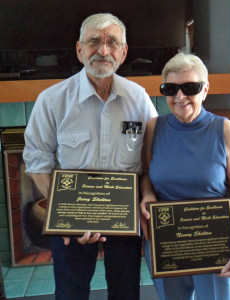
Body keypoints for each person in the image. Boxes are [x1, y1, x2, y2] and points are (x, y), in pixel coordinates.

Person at [23, 13, 157, 300]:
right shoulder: (52, 100)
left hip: (124, 217)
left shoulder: (139, 99)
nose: (103, 50)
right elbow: (37, 163)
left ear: (123, 52)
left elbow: (151, 160)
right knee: (71, 293)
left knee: (126, 292)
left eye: (112, 42)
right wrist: (66, 215)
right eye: (94, 41)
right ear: (79, 49)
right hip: (71, 218)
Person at [140, 53, 230, 300]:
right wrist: (147, 194)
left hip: (215, 241)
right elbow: (147, 174)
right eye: (170, 89)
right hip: (167, 241)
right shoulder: (153, 128)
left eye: (189, 88)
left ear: (205, 90)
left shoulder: (224, 129)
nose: (179, 97)